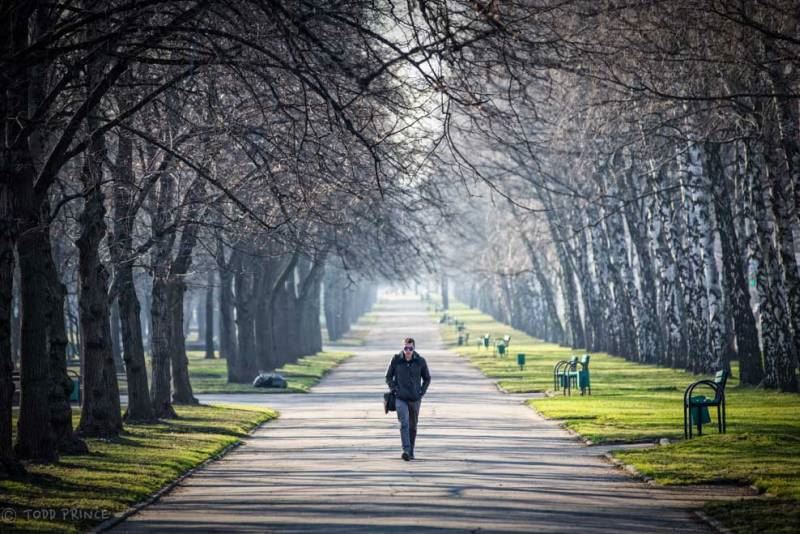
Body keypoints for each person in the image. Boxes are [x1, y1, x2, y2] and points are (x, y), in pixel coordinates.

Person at [385, 337, 431, 461]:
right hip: (400, 398)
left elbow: (427, 378)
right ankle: (405, 450)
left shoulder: (420, 361)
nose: (408, 351)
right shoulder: (396, 360)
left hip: (415, 398)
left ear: (414, 348)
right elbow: (388, 376)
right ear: (403, 348)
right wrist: (394, 389)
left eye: (410, 348)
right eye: (406, 348)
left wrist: (422, 392)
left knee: (413, 426)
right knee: (404, 423)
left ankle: (411, 451)